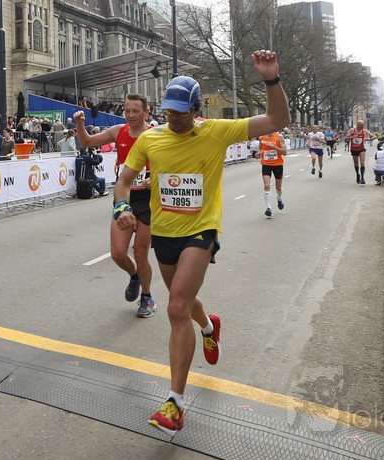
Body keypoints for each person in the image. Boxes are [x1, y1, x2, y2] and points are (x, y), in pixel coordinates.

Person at [114, 52, 289, 434]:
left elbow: (277, 120)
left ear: (195, 109)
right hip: (165, 234)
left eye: (181, 112)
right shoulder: (151, 139)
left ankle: (175, 402)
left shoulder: (216, 132)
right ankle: (209, 326)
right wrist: (122, 207)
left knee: (176, 307)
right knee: (185, 301)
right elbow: (123, 181)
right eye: (169, 111)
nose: (174, 118)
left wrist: (271, 80)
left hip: (200, 232)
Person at [73, 94, 156, 318]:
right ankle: (135, 276)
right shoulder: (118, 131)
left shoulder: (156, 135)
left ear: (146, 112)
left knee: (140, 252)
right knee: (118, 253)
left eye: (136, 111)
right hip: (123, 197)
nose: (130, 115)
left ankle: (147, 297)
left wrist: (155, 179)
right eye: (127, 111)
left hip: (148, 200)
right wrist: (80, 124)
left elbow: (171, 164)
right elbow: (87, 142)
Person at [258, 129, 287, 216]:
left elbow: (285, 152)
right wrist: (258, 154)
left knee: (278, 187)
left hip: (278, 164)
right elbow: (260, 149)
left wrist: (274, 147)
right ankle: (268, 208)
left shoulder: (279, 137)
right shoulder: (262, 138)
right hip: (266, 164)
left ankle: (279, 198)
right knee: (267, 185)